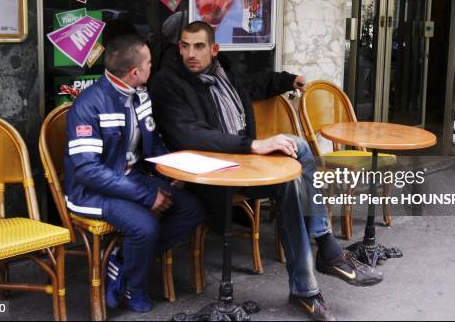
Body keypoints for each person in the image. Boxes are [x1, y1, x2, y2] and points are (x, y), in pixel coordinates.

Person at [150, 21, 383, 321]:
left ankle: (310, 280)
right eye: (184, 46)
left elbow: (255, 84)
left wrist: (288, 80)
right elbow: (190, 135)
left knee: (295, 161)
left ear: (214, 50)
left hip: (246, 163)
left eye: (198, 46)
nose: (190, 53)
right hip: (210, 174)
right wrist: (253, 145)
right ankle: (322, 258)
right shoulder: (167, 82)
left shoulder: (225, 73)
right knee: (291, 180)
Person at [64, 34, 206, 313]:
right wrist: (147, 194)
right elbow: (88, 171)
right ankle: (134, 289)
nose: (153, 66)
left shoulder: (140, 94)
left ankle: (121, 263)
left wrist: (169, 173)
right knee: (145, 226)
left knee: (193, 209)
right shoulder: (89, 105)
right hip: (92, 191)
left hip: (131, 178)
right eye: (150, 63)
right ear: (135, 72)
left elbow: (152, 144)